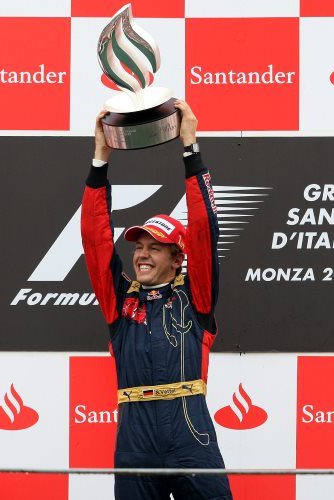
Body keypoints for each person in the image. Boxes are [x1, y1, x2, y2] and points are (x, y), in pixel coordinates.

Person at [81, 100, 232, 500]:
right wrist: (100, 160)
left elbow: (204, 229)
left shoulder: (195, 297)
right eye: (138, 246)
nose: (142, 254)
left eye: (156, 247)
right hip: (136, 436)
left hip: (190, 433)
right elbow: (96, 240)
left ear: (177, 258)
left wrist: (190, 150)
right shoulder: (120, 301)